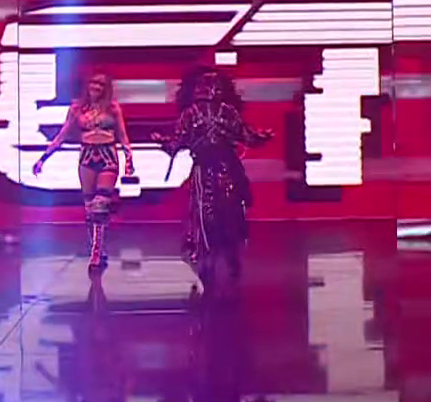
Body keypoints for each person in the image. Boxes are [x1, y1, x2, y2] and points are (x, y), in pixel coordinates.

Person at [155, 67, 270, 289]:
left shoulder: (228, 112)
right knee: (204, 213)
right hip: (202, 168)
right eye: (203, 85)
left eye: (212, 85)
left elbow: (246, 136)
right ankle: (206, 256)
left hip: (227, 167)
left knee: (231, 211)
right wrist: (163, 142)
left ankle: (231, 254)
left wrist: (261, 138)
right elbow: (177, 142)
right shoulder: (189, 114)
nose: (207, 90)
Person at [32, 72, 135, 272]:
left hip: (107, 155)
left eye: (101, 84)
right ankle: (98, 247)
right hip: (87, 156)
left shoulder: (113, 108)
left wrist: (129, 157)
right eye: (93, 83)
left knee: (100, 206)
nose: (96, 87)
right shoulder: (77, 109)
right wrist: (44, 158)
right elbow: (62, 135)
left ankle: (95, 252)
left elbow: (122, 135)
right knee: (89, 208)